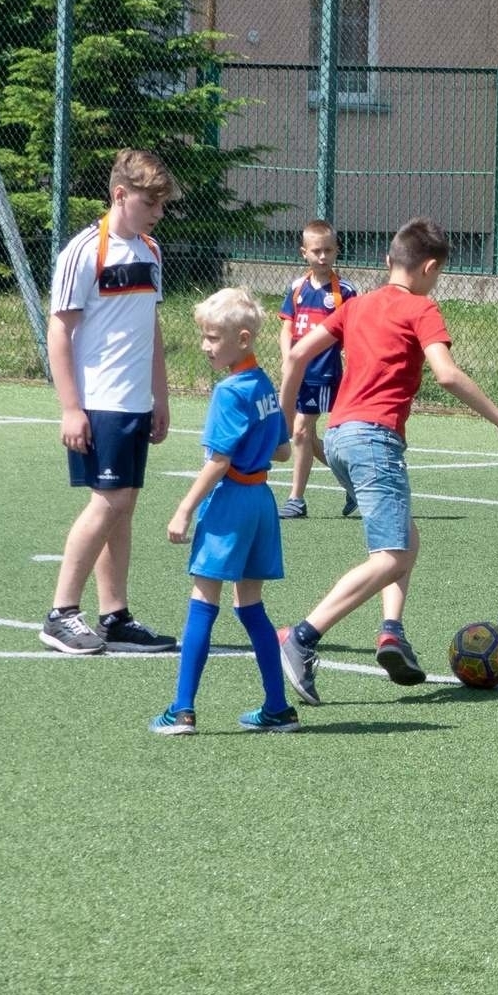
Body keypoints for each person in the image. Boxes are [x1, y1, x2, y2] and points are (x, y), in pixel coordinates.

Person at [277, 218, 498, 705]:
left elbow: (297, 356)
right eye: (438, 275)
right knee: (392, 556)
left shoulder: (356, 305)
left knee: (406, 538)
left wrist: (283, 422)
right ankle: (303, 636)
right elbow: (448, 375)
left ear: (390, 258)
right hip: (375, 440)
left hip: (342, 435)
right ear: (429, 267)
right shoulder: (422, 307)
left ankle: (392, 631)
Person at [40, 149, 180, 655]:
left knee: (123, 508)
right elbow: (59, 331)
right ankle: (61, 613)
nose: (157, 213)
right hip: (98, 401)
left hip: (134, 403)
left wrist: (159, 396)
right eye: (150, 203)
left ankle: (115, 616)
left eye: (161, 205)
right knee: (109, 503)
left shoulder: (149, 250)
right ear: (120, 195)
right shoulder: (83, 252)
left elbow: (152, 328)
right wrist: (70, 407)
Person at [150, 289, 297, 736]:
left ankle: (183, 710)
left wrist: (184, 509)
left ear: (244, 338)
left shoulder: (229, 392)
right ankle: (277, 707)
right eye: (204, 336)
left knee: (203, 600)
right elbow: (284, 451)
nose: (205, 346)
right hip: (261, 503)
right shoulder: (265, 385)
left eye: (213, 337)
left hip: (232, 503)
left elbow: (218, 461)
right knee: (251, 605)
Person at [276, 219, 358, 520]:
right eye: (316, 251)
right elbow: (286, 328)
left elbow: (353, 333)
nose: (322, 257)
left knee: (299, 431)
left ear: (337, 251)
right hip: (298, 375)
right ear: (304, 253)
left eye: (328, 250)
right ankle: (353, 485)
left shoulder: (344, 292)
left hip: (323, 374)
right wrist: (289, 360)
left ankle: (296, 499)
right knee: (306, 437)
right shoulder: (296, 288)